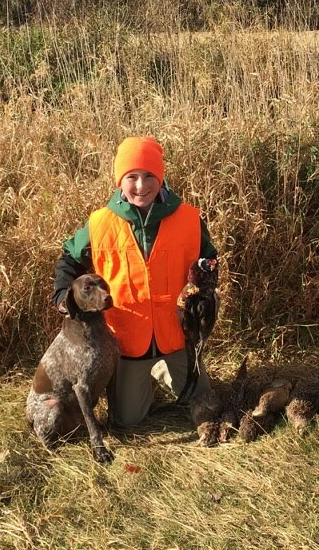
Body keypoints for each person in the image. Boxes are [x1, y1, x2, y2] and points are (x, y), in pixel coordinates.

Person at [52, 135, 218, 428]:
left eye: (149, 175)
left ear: (161, 177)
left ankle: (166, 373)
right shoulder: (100, 222)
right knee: (127, 422)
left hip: (176, 336)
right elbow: (69, 259)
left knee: (207, 403)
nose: (141, 186)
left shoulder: (189, 217)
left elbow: (210, 259)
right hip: (127, 340)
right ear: (120, 180)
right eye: (132, 177)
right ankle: (140, 377)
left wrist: (206, 285)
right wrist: (62, 295)